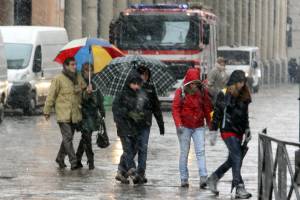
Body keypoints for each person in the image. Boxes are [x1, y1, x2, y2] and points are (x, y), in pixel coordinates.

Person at [207, 70, 252, 199]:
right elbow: (217, 112)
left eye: (243, 82)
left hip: (239, 131)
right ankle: (239, 187)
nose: (242, 85)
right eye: (240, 82)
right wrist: (213, 131)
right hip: (227, 129)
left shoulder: (245, 94)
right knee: (237, 156)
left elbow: (245, 115)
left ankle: (213, 178)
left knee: (232, 160)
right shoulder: (224, 93)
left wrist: (248, 129)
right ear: (234, 81)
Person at [43, 57, 87, 170]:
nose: (74, 66)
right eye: (72, 64)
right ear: (66, 66)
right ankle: (74, 162)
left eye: (75, 64)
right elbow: (51, 95)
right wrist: (47, 111)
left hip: (74, 114)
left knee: (67, 138)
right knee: (68, 138)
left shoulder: (78, 77)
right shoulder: (58, 79)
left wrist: (87, 89)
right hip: (63, 114)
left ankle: (60, 158)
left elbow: (83, 90)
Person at [172, 68, 212, 188]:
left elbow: (206, 108)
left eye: (197, 83)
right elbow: (175, 109)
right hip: (184, 127)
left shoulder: (202, 92)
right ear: (189, 83)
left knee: (200, 152)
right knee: (184, 153)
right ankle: (184, 179)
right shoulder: (181, 92)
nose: (195, 86)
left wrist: (211, 125)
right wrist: (178, 124)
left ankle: (203, 178)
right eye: (193, 83)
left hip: (199, 126)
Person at [131, 64, 164, 184]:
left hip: (145, 123)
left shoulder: (151, 88)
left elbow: (156, 107)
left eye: (146, 74)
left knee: (143, 148)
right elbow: (124, 106)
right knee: (131, 149)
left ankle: (141, 172)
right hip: (133, 123)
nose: (144, 76)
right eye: (141, 74)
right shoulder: (131, 87)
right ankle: (126, 169)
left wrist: (161, 125)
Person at [112, 70, 145, 184]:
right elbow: (116, 110)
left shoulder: (139, 95)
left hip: (134, 127)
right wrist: (127, 112)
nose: (136, 86)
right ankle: (132, 170)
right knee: (128, 150)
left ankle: (121, 172)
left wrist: (139, 114)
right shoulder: (122, 94)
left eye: (138, 84)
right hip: (123, 127)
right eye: (134, 83)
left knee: (133, 149)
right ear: (129, 83)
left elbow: (142, 109)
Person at [75, 63, 105, 170]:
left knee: (85, 138)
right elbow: (79, 97)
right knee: (86, 138)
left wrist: (102, 112)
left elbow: (100, 99)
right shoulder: (80, 82)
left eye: (91, 70)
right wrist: (86, 92)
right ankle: (91, 161)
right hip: (83, 115)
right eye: (87, 70)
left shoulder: (95, 83)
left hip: (93, 115)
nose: (89, 72)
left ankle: (77, 158)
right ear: (83, 71)